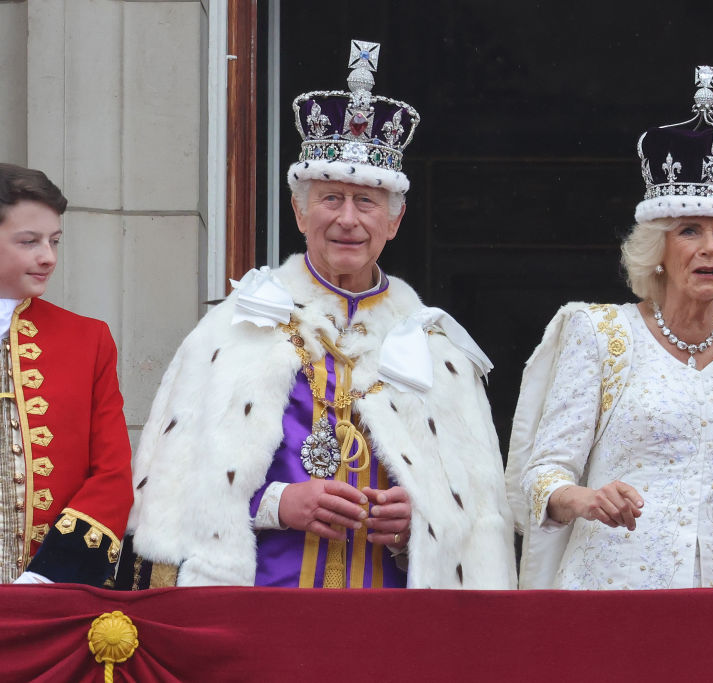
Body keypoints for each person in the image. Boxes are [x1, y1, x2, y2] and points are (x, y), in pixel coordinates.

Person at [120, 40, 516, 589]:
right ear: (300, 210)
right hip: (262, 606)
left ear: (394, 222)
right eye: (331, 198)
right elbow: (173, 485)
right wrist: (278, 502)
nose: (348, 219)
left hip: (387, 621)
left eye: (367, 202)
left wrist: (417, 522)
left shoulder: (436, 347)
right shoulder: (236, 326)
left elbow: (474, 517)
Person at [506, 66, 713, 589]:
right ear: (659, 249)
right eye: (690, 230)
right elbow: (541, 474)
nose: (710, 247)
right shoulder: (598, 332)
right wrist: (587, 499)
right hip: (613, 597)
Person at [0, 163, 132, 585]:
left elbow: (112, 474)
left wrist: (48, 579)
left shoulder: (87, 340)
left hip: (50, 597)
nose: (48, 257)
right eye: (29, 241)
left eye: (54, 241)